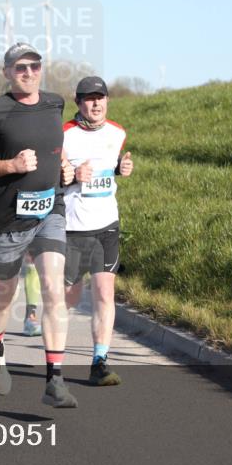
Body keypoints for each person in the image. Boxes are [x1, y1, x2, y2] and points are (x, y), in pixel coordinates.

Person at [0, 42, 77, 408]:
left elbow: (56, 145)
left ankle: (55, 379)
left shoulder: (55, 103)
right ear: (6, 72)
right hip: (7, 222)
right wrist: (11, 166)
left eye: (34, 65)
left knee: (52, 287)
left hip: (50, 211)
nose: (29, 72)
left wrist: (65, 166)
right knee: (5, 295)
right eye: (20, 67)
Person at [62, 76, 135, 386]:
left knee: (105, 293)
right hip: (72, 228)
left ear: (107, 100)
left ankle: (99, 361)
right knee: (70, 298)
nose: (95, 104)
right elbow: (53, 177)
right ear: (78, 103)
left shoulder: (118, 132)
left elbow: (111, 164)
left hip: (106, 225)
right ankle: (55, 357)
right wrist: (72, 175)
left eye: (100, 98)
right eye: (89, 99)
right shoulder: (63, 134)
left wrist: (121, 168)